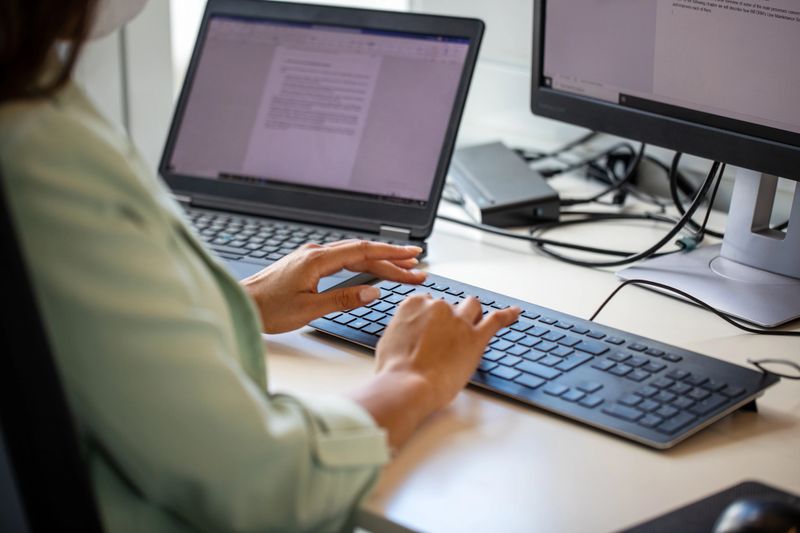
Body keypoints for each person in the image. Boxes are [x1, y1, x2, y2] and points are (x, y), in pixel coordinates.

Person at [0, 0, 520, 531]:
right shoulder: (37, 157)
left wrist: (239, 305)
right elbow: (264, 484)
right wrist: (412, 379)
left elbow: (72, 334)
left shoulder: (29, 87)